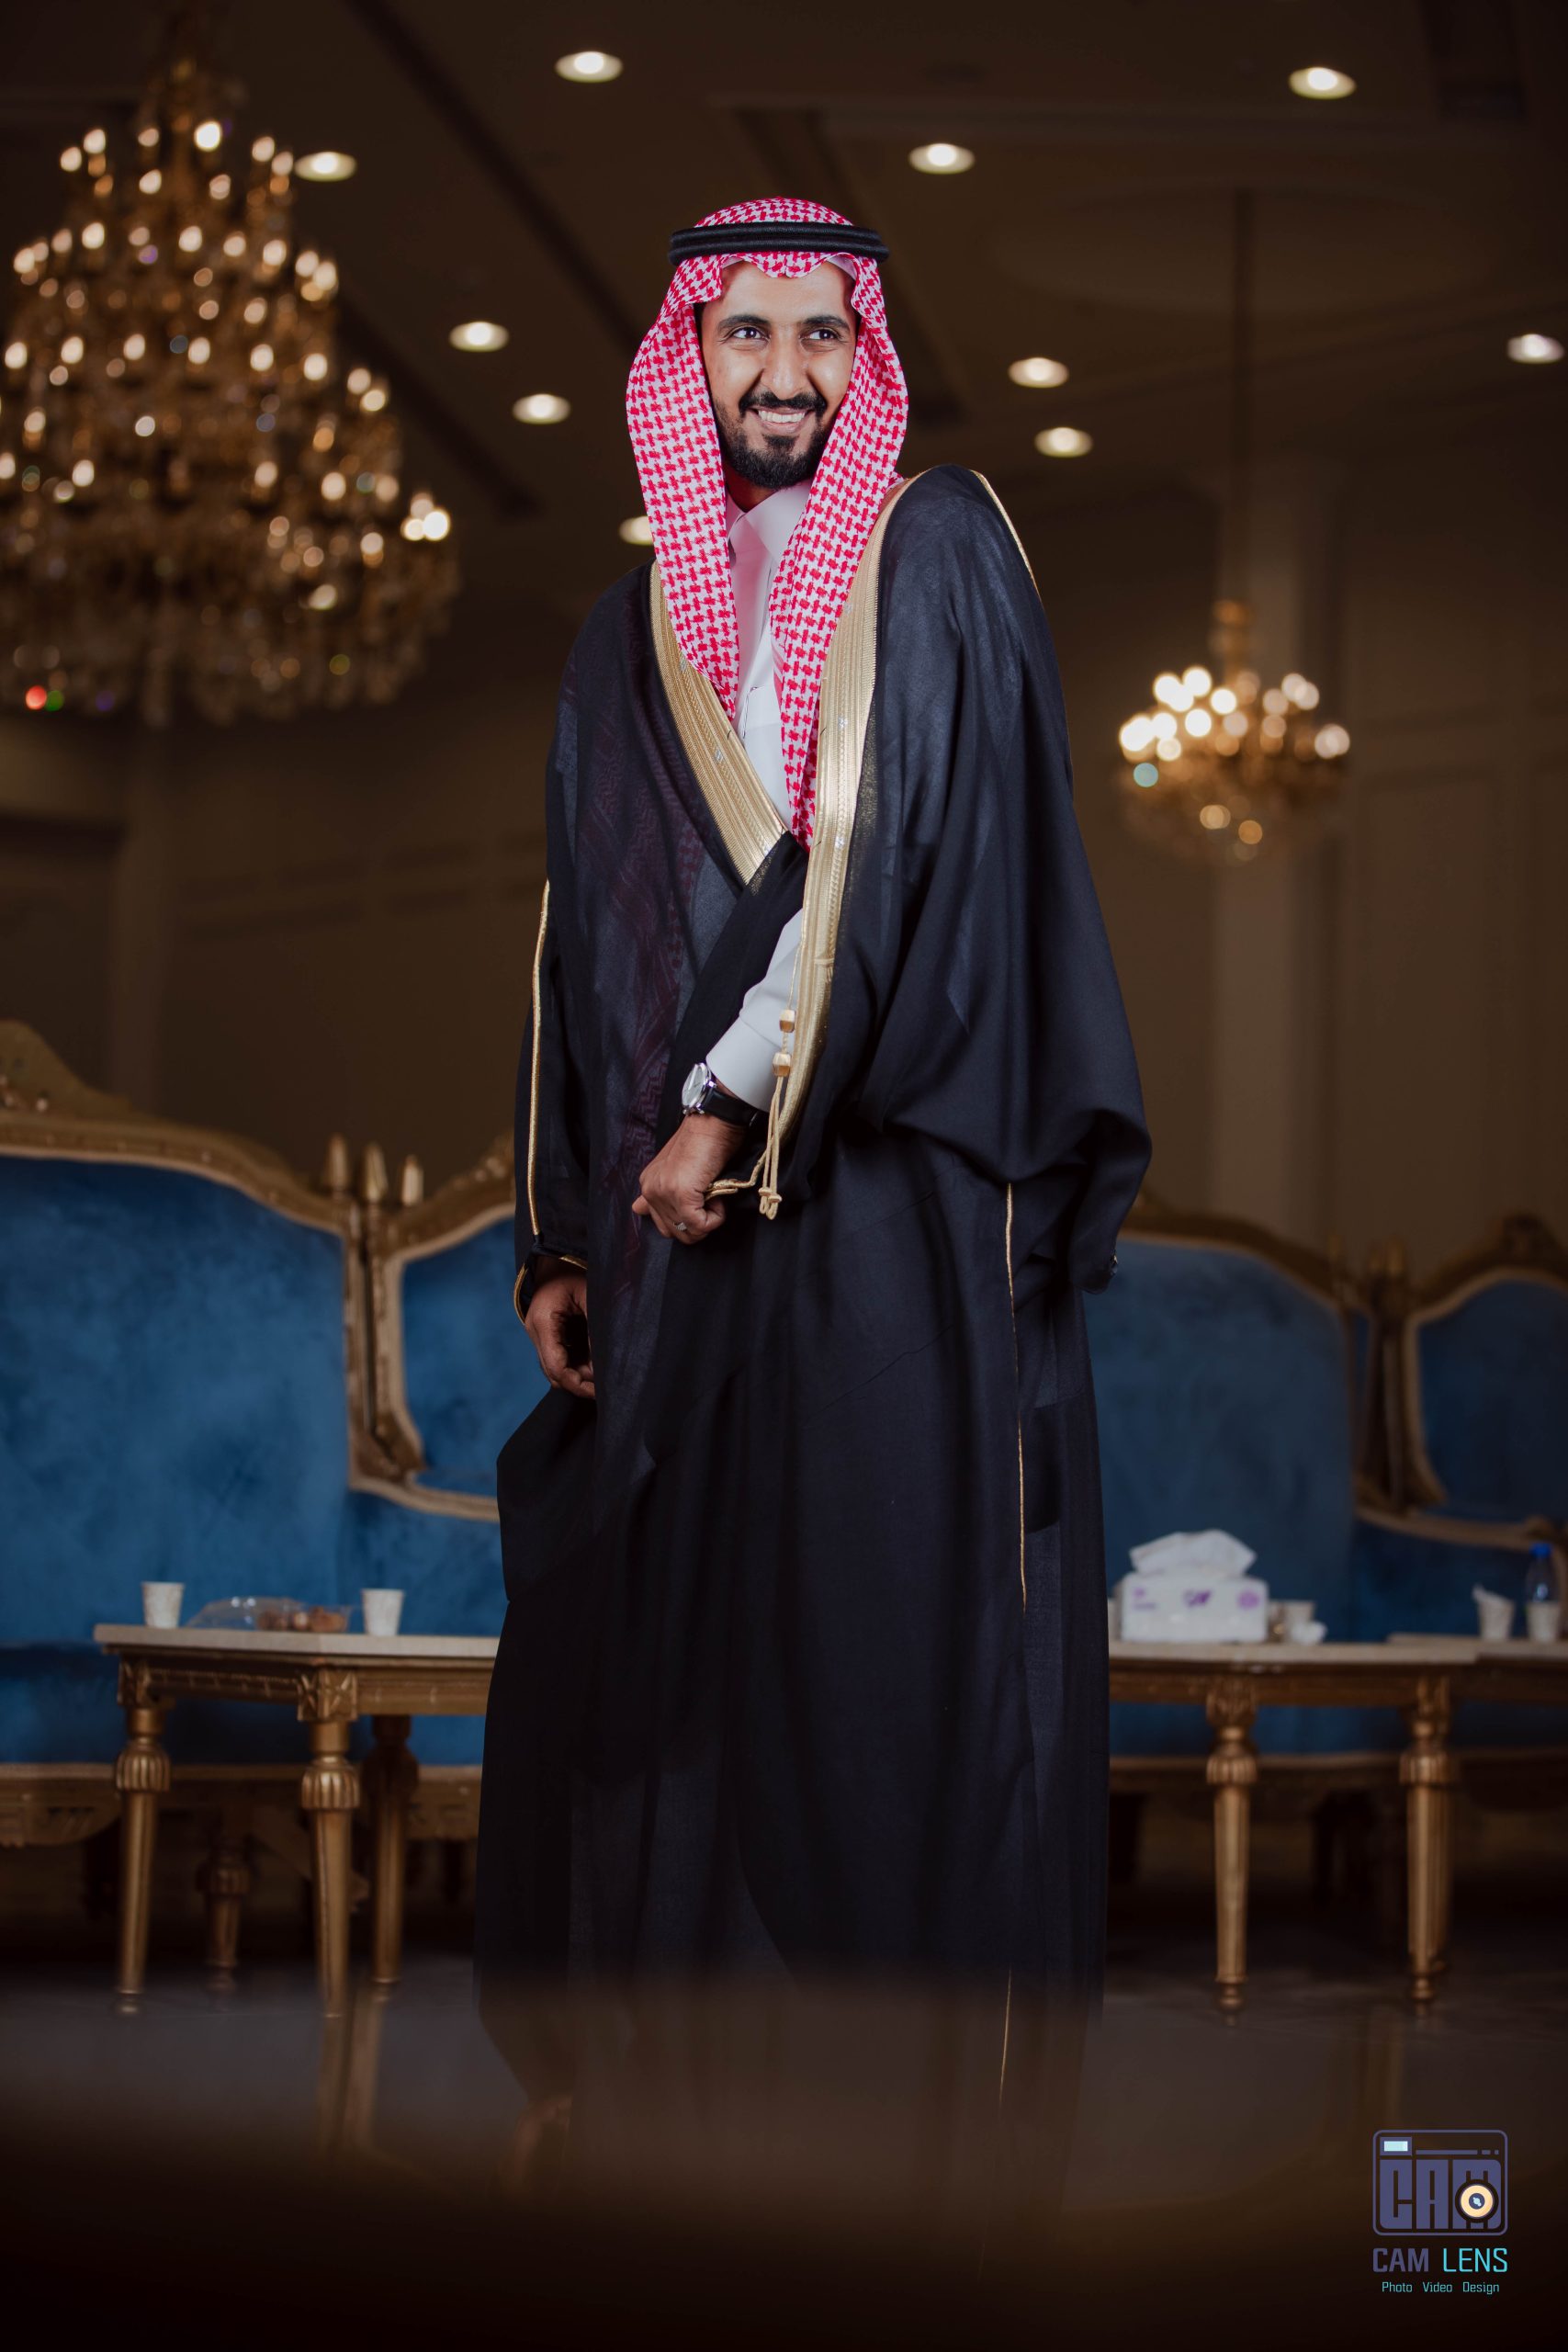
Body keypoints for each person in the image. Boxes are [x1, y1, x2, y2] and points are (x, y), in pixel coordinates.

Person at [475, 199, 1149, 2020]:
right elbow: (583, 937)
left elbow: (896, 856)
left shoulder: (935, 550)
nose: (783, 373)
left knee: (880, 1635)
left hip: (888, 1189)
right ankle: (691, 2108)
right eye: (745, 334)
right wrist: (562, 1224)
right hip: (677, 1229)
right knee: (685, 1637)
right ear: (687, 356)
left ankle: (898, 2112)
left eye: (821, 335)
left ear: (867, 360)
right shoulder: (624, 635)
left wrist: (724, 1100)